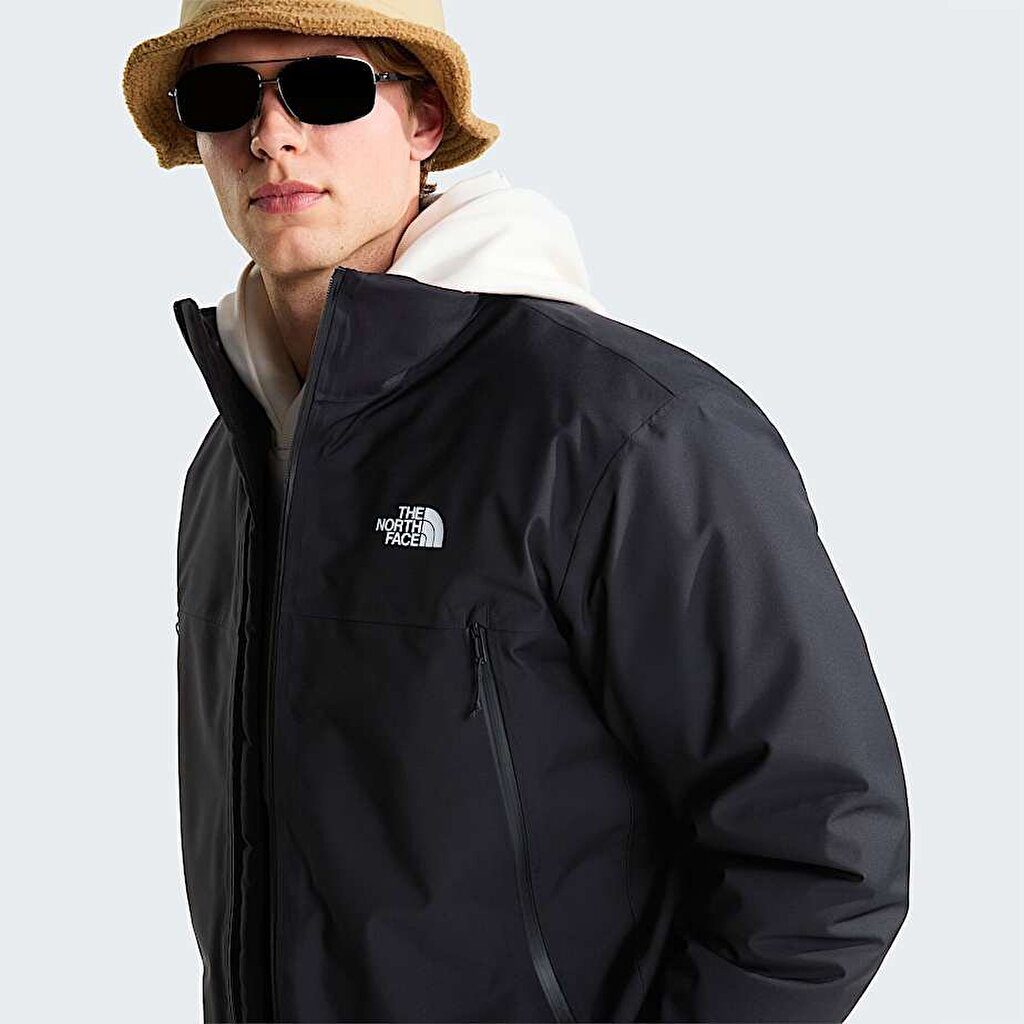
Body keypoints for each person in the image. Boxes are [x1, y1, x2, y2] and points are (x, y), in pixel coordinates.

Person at [123, 3, 911, 1022]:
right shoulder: (233, 460)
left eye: (326, 87)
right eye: (223, 96)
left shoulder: (620, 426)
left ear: (424, 119)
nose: (271, 134)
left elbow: (822, 857)